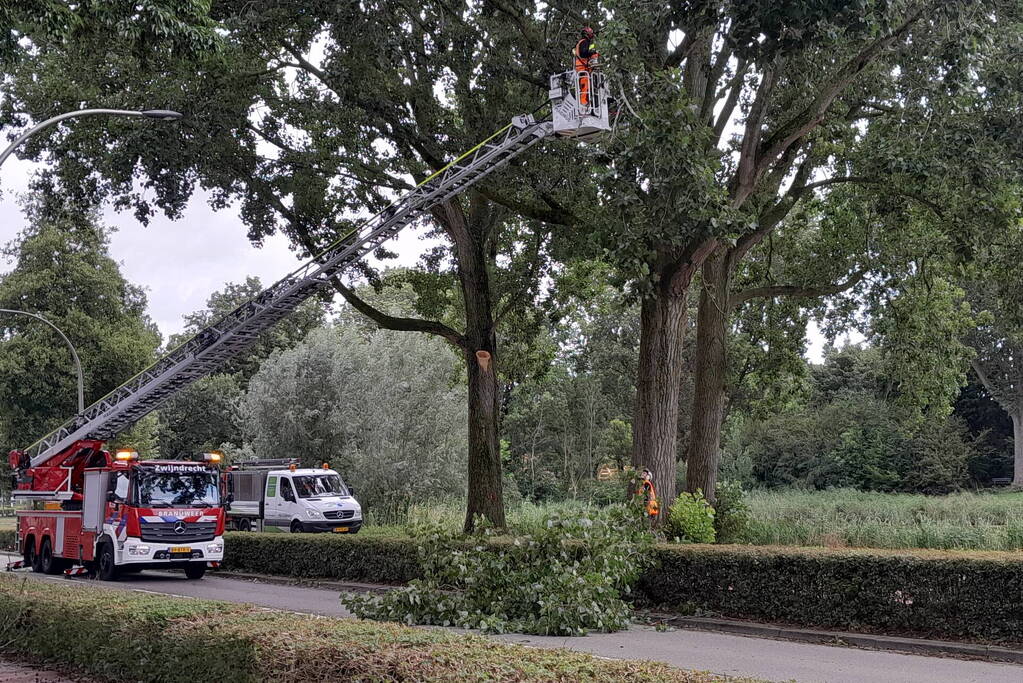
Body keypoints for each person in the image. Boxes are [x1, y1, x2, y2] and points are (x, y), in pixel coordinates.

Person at [573, 26, 599, 108]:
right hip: (582, 68)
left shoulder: (585, 43)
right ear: (587, 34)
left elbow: (590, 50)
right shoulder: (583, 42)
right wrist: (592, 53)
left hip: (584, 68)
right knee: (585, 88)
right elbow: (584, 53)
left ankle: (588, 103)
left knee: (588, 87)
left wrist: (594, 51)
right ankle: (583, 105)